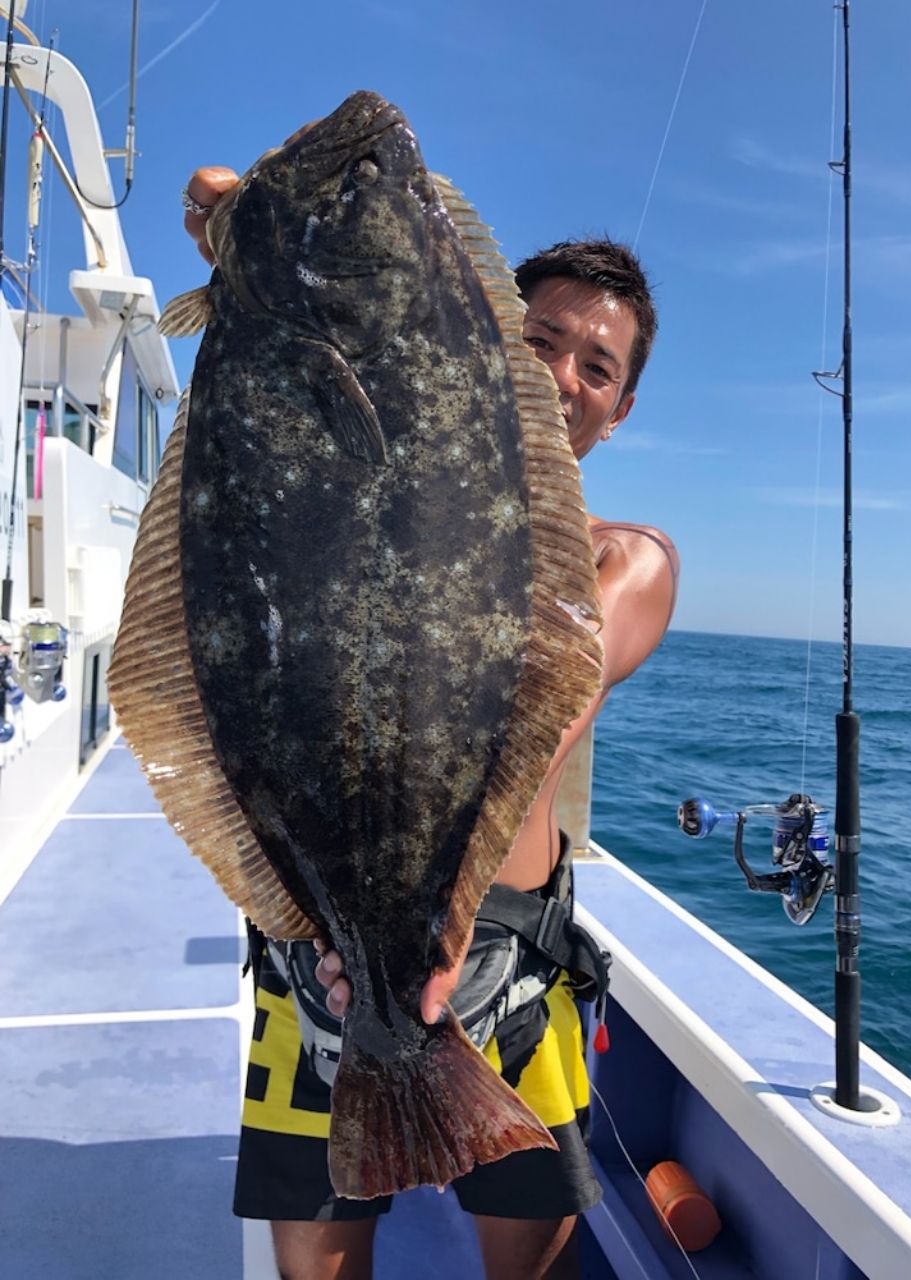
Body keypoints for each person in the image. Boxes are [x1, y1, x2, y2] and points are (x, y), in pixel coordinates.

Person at [183, 165, 679, 1280]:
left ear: (620, 404)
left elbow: (541, 705)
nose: (560, 375)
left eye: (594, 365)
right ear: (490, 334)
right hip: (321, 943)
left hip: (502, 960)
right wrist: (254, 233)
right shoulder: (370, 490)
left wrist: (436, 916)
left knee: (529, 1263)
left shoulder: (626, 559)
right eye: (539, 338)